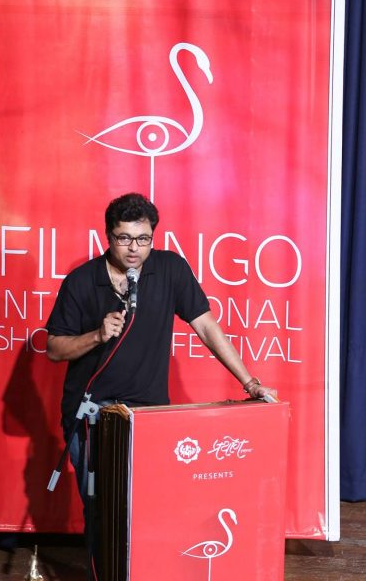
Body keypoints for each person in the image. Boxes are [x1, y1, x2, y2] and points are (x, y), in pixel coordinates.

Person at [46, 193, 276, 502]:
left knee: (147, 504)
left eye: (143, 239)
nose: (134, 248)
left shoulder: (170, 269)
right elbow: (54, 349)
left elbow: (207, 327)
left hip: (148, 413)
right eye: (124, 238)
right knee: (99, 508)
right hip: (92, 413)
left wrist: (250, 383)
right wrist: (97, 336)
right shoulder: (81, 281)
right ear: (109, 236)